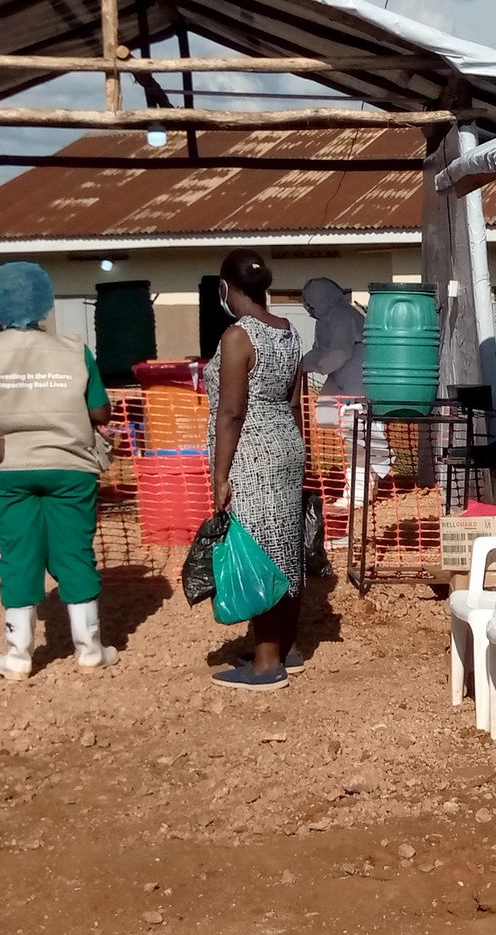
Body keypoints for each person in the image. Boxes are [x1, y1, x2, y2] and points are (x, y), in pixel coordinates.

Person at [0, 262, 118, 681]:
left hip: (5, 468)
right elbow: (99, 411)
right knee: (75, 552)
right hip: (70, 465)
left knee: (18, 556)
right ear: (45, 303)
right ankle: (89, 648)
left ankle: (17, 655)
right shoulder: (74, 350)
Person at [207, 249, 306, 691]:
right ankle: (285, 646)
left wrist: (220, 474)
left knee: (259, 548)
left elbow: (230, 412)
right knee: (285, 544)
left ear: (226, 288)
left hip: (251, 450)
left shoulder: (237, 337)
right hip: (286, 443)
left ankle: (266, 666)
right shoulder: (288, 332)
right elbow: (293, 399)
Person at [301, 277, 389, 509]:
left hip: (356, 381)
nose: (308, 308)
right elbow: (319, 351)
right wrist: (301, 364)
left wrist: (314, 366)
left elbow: (337, 353)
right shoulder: (326, 319)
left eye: (311, 303)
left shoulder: (341, 316)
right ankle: (364, 483)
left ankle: (359, 491)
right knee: (338, 425)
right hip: (342, 380)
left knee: (357, 436)